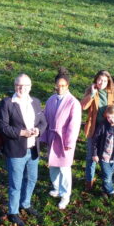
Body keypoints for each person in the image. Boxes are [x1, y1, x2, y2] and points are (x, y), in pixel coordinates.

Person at [0, 74, 47, 226]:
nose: (22, 88)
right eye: (19, 85)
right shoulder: (7, 103)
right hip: (16, 150)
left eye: (25, 86)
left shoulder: (36, 102)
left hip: (33, 149)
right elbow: (3, 126)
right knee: (15, 183)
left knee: (32, 179)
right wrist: (22, 133)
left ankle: (25, 204)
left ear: (30, 87)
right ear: (14, 86)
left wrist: (38, 131)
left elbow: (43, 122)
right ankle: (13, 211)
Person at [40, 70, 82, 210]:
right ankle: (56, 187)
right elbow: (45, 119)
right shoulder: (51, 99)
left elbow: (74, 124)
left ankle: (65, 195)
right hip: (52, 138)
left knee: (64, 168)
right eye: (58, 85)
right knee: (53, 166)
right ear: (54, 85)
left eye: (63, 85)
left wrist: (69, 142)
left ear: (68, 85)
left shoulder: (73, 102)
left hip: (64, 141)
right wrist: (44, 136)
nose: (60, 88)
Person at [79, 70, 114, 190]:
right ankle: (89, 181)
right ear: (96, 79)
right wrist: (92, 94)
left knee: (109, 154)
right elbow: (83, 106)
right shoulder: (91, 91)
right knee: (91, 156)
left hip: (109, 128)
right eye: (100, 80)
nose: (102, 83)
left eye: (105, 80)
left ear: (109, 81)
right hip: (94, 127)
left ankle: (108, 178)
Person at [90, 104, 114, 199]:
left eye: (113, 117)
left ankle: (103, 190)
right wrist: (94, 154)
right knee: (107, 176)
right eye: (108, 117)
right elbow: (95, 140)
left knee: (108, 175)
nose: (110, 119)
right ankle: (111, 192)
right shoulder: (103, 125)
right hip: (103, 156)